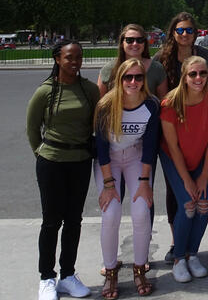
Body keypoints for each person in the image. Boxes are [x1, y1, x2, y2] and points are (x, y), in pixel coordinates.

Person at [26, 40, 99, 300]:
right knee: (51, 221)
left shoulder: (89, 89)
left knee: (74, 220)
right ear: (57, 59)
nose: (75, 62)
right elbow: (33, 129)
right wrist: (42, 154)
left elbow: (97, 123)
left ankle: (68, 274)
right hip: (52, 162)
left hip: (79, 161)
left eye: (78, 57)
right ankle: (47, 277)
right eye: (69, 57)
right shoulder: (45, 91)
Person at [94, 59, 159, 298]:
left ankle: (140, 269)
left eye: (138, 77)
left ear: (144, 80)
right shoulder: (106, 105)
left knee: (142, 210)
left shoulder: (151, 105)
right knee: (110, 212)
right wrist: (109, 185)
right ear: (119, 79)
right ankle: (110, 271)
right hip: (109, 160)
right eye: (127, 77)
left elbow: (150, 146)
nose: (133, 82)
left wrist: (144, 182)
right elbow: (100, 147)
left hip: (136, 157)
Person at [159, 56, 208, 283]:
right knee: (188, 203)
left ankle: (192, 254)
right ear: (184, 77)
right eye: (193, 74)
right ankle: (179, 258)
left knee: (204, 205)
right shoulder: (170, 102)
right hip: (174, 158)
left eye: (203, 73)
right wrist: (188, 179)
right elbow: (172, 147)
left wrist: (204, 175)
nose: (199, 78)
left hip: (202, 157)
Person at [154, 12, 208, 263]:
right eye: (180, 30)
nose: (185, 34)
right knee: (175, 190)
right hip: (171, 126)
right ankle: (175, 241)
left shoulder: (205, 56)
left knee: (198, 196)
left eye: (189, 30)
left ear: (196, 32)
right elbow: (160, 96)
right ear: (173, 33)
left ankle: (188, 249)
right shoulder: (161, 58)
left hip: (198, 127)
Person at [98, 24, 168, 98]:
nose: (135, 44)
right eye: (129, 40)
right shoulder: (109, 69)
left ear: (144, 43)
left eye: (140, 40)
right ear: (122, 43)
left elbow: (163, 101)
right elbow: (99, 102)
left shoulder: (156, 68)